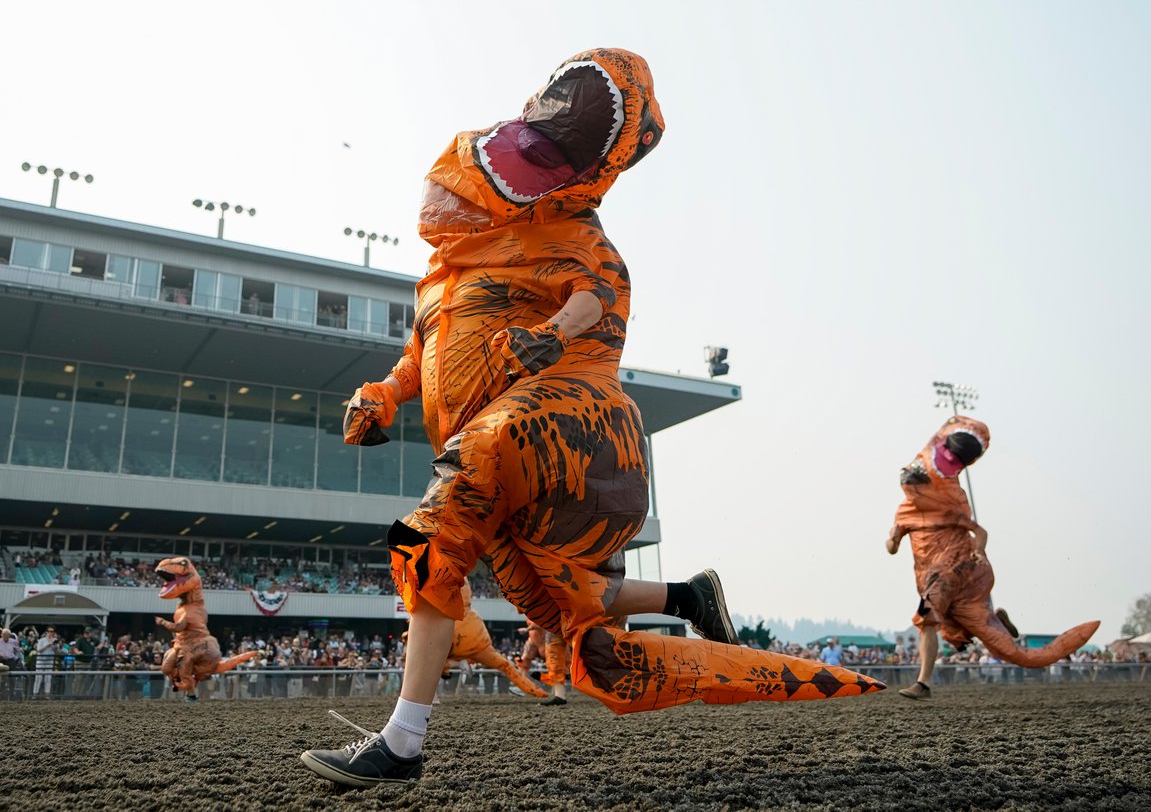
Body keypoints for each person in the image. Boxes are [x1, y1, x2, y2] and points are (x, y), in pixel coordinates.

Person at [300, 48, 882, 789]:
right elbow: (424, 357)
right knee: (565, 613)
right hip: (505, 439)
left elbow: (595, 296)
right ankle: (687, 599)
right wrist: (381, 397)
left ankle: (402, 744)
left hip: (563, 423)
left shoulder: (574, 237)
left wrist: (554, 334)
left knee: (430, 541)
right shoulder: (451, 277)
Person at [886, 416, 1100, 700]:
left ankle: (923, 683)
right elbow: (891, 547)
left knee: (927, 619)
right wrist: (892, 537)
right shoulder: (907, 514)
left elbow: (979, 531)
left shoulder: (950, 502)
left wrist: (978, 551)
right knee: (987, 643)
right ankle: (1000, 624)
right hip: (942, 578)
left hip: (955, 570)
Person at [33, 626, 58, 698]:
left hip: (49, 661)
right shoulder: (41, 640)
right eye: (49, 631)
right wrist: (47, 645)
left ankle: (47, 694)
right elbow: (38, 650)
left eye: (52, 631)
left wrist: (54, 647)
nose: (50, 633)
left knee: (48, 677)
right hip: (40, 661)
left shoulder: (55, 640)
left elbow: (56, 652)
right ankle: (35, 694)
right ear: (46, 632)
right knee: (38, 677)